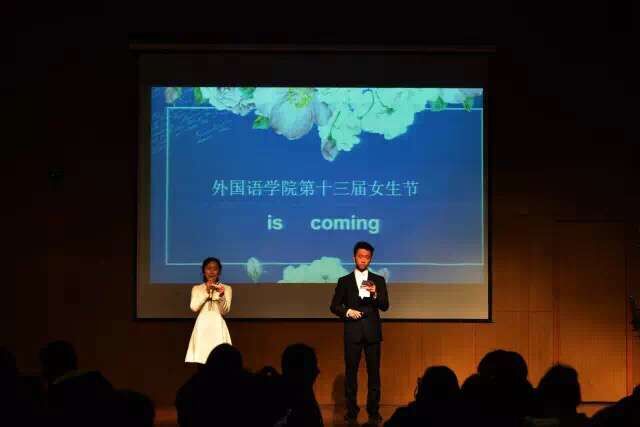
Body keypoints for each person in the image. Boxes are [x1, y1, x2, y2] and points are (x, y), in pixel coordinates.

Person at [330, 241, 389, 425]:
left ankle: (374, 411)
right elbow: (334, 306)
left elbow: (385, 306)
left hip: (372, 332)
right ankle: (351, 411)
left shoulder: (378, 280)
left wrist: (375, 293)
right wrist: (348, 311)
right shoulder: (344, 281)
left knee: (374, 374)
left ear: (371, 259)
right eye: (360, 256)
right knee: (351, 373)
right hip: (352, 331)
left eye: (367, 257)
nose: (363, 260)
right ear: (354, 257)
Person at [185, 257, 232, 364]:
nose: (211, 271)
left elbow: (225, 311)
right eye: (208, 268)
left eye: (215, 269)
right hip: (202, 326)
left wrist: (221, 295)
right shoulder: (197, 288)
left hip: (218, 326)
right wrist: (206, 292)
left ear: (219, 272)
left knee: (219, 361)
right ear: (203, 271)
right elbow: (194, 307)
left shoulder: (226, 288)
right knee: (201, 360)